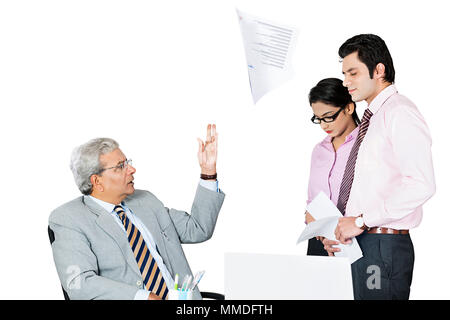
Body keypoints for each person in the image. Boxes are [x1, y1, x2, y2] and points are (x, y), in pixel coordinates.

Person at [48, 124, 225, 300]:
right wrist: (141, 297)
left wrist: (208, 172)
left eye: (128, 163)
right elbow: (79, 284)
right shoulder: (68, 219)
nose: (132, 170)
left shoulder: (145, 201)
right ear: (97, 181)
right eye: (120, 166)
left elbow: (198, 229)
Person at [322, 34, 435, 300]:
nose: (346, 82)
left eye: (353, 73)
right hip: (364, 242)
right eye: (344, 74)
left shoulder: (399, 112)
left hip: (383, 245)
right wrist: (341, 229)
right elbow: (366, 188)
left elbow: (422, 184)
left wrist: (361, 221)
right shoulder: (371, 120)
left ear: (379, 70)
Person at [305, 78, 361, 256]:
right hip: (319, 239)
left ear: (349, 108)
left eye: (329, 117)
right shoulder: (319, 150)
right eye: (318, 119)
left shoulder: (366, 145)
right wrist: (309, 215)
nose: (323, 125)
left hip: (354, 239)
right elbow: (313, 198)